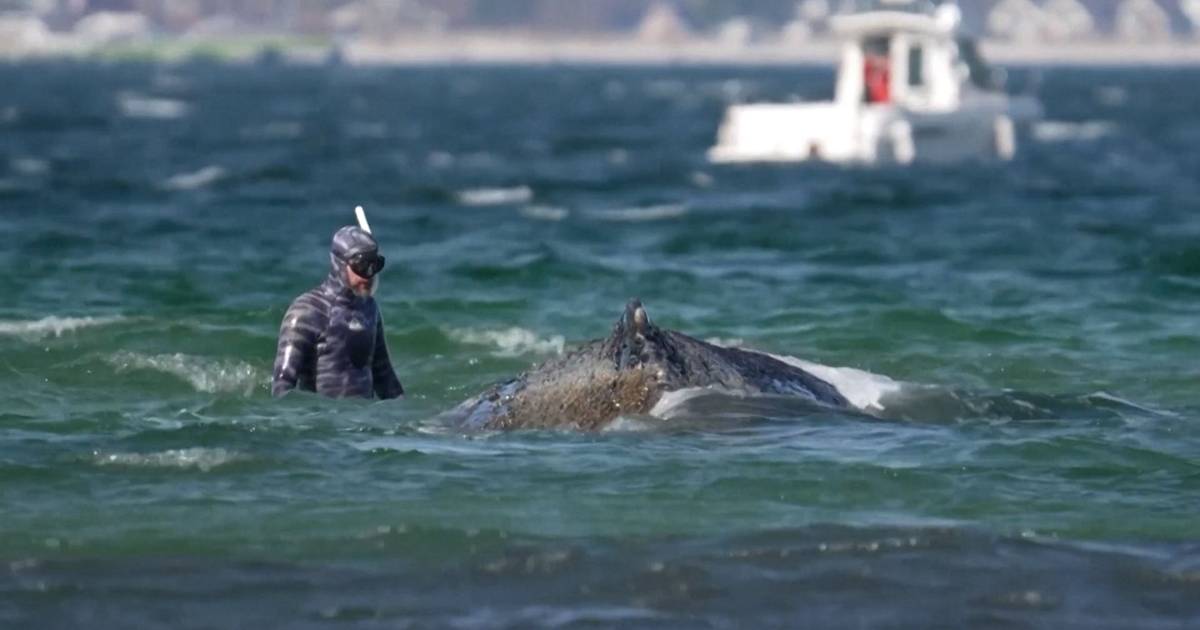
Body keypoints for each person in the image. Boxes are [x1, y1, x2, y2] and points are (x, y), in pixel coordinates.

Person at [272, 225, 404, 399]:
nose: (369, 274)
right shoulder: (306, 312)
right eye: (361, 265)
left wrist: (407, 413)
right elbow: (282, 386)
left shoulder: (369, 309)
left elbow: (385, 377)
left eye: (375, 265)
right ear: (339, 264)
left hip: (364, 415)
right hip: (322, 414)